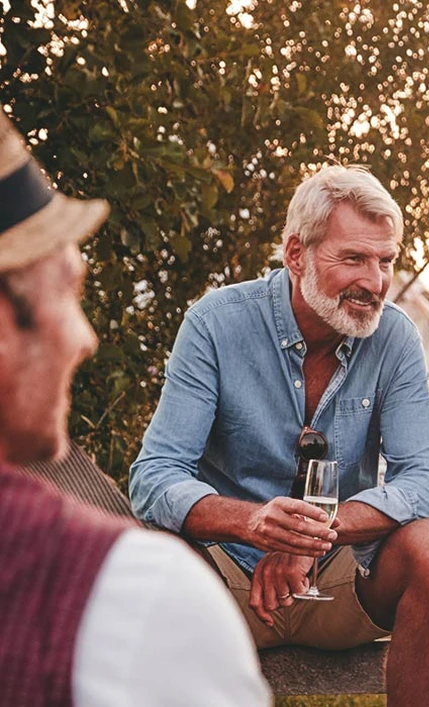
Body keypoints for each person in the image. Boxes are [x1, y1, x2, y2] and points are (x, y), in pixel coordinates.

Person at [129, 165, 429, 707]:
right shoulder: (215, 323)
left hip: (342, 578)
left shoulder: (395, 337)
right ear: (296, 255)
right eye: (354, 258)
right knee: (147, 557)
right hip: (226, 578)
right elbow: (154, 477)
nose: (376, 281)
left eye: (386, 261)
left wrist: (313, 535)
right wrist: (253, 523)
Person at [0, 113, 267, 705]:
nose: (84, 338)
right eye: (68, 292)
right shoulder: (136, 599)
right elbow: (158, 475)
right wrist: (250, 523)